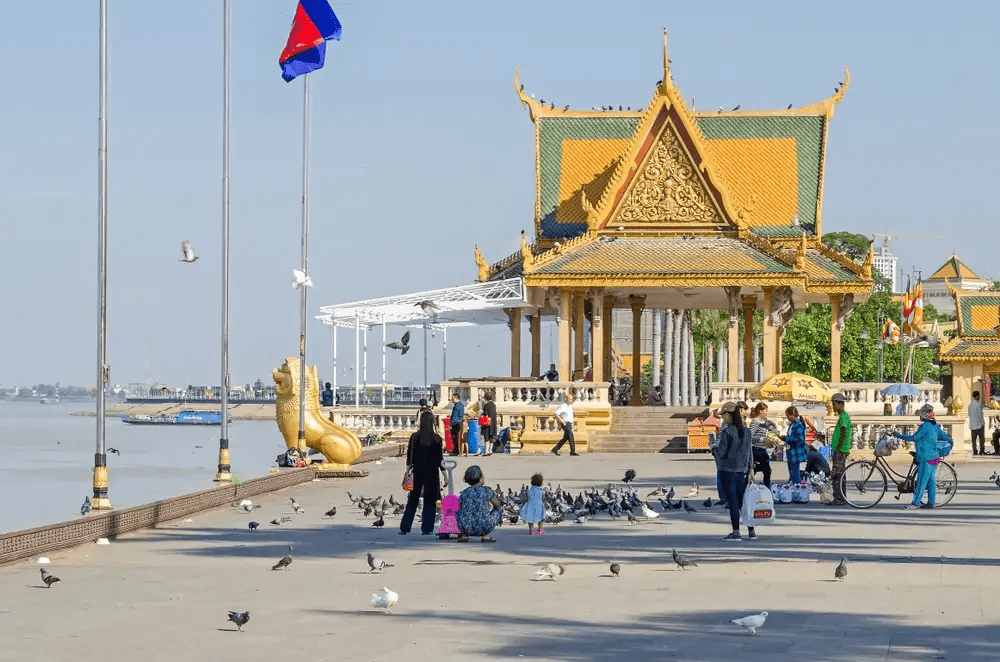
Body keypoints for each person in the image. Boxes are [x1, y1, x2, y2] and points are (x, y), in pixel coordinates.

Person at [893, 404, 953, 509]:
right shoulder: (935, 426)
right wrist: (951, 442)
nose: (919, 417)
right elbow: (945, 437)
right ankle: (931, 502)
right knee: (931, 481)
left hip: (926, 457)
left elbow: (914, 437)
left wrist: (899, 435)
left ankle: (915, 503)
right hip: (935, 457)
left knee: (921, 480)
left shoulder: (925, 426)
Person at [399, 411, 447, 535]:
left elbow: (410, 456)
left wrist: (407, 472)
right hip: (432, 473)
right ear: (432, 423)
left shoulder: (415, 437)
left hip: (417, 472)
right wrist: (445, 476)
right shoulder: (437, 439)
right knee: (430, 501)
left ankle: (405, 527)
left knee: (413, 500)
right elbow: (440, 460)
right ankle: (427, 528)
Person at [714, 401, 756, 541]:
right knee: (744, 502)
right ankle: (751, 531)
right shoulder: (746, 430)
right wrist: (751, 469)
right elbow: (750, 451)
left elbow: (720, 452)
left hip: (728, 470)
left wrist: (712, 447)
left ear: (729, 414)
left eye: (724, 415)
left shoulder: (727, 432)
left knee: (733, 503)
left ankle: (736, 532)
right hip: (742, 471)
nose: (723, 418)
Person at [456, 465, 502, 542]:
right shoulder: (487, 490)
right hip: (484, 526)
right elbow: (497, 504)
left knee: (459, 511)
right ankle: (485, 536)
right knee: (497, 510)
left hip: (466, 526)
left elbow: (459, 506)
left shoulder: (464, 492)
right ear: (480, 479)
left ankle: (464, 535)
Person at [828, 393, 852, 505]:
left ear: (840, 404)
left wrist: (837, 449)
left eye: (834, 405)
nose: (833, 407)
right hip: (841, 449)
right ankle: (841, 497)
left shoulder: (843, 417)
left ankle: (839, 498)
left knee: (837, 474)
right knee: (840, 474)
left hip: (841, 450)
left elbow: (843, 432)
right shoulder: (844, 416)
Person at [749, 403, 777, 488]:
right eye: (766, 411)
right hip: (756, 450)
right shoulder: (755, 422)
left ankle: (766, 489)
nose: (767, 412)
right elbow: (750, 436)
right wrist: (762, 440)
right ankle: (749, 488)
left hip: (763, 450)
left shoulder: (764, 422)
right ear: (760, 411)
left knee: (767, 471)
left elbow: (771, 431)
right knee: (755, 470)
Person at [782, 406, 808, 484]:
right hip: (790, 451)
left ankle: (798, 489)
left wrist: (786, 439)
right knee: (792, 473)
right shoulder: (792, 424)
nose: (787, 418)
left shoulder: (798, 425)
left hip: (795, 452)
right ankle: (794, 488)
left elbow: (800, 439)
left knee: (795, 473)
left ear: (792, 415)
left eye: (788, 416)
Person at [969, 390, 985, 456]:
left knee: (974, 439)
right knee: (981, 438)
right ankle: (981, 450)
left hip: (972, 424)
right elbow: (980, 415)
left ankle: (974, 450)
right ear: (978, 396)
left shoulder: (970, 405)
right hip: (979, 424)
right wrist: (982, 422)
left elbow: (969, 414)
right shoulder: (979, 405)